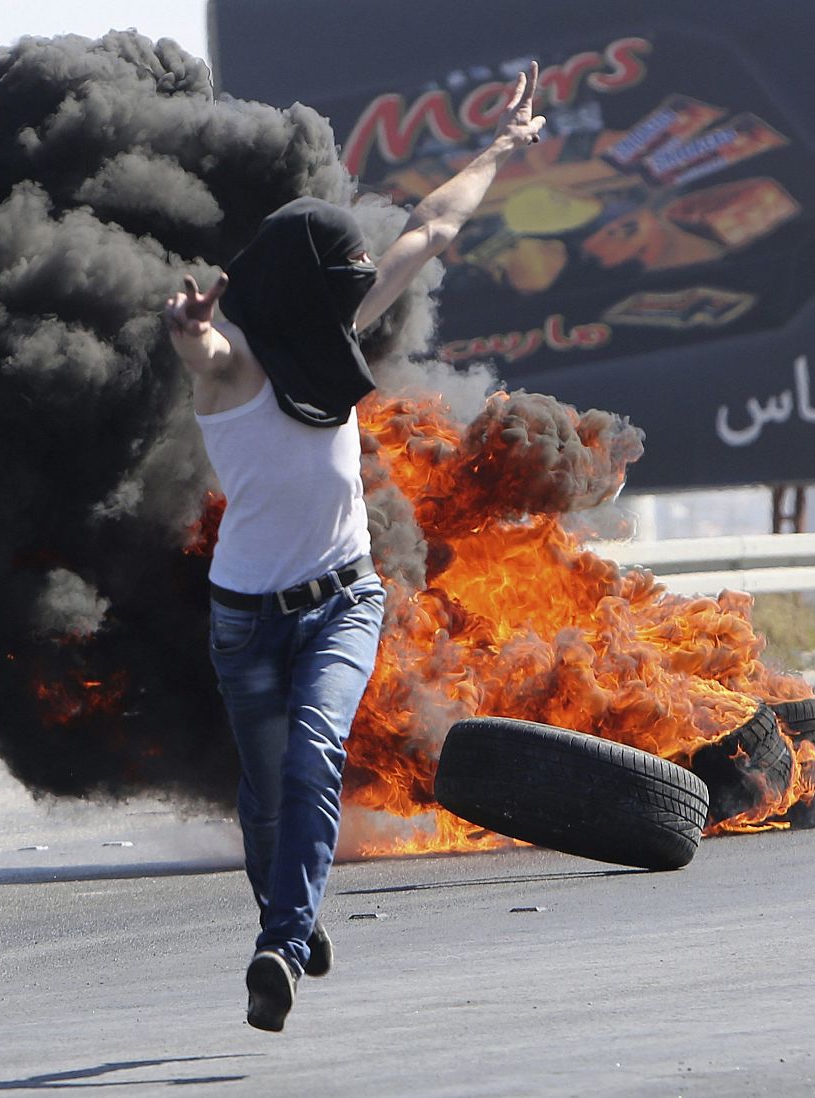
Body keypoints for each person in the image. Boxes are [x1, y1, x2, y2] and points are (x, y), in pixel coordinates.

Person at [164, 63, 546, 1032]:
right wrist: (186, 331)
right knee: (261, 798)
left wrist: (500, 148)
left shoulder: (332, 337)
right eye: (339, 280)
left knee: (312, 758)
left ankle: (282, 946)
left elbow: (432, 227)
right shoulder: (233, 367)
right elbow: (203, 355)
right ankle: (288, 910)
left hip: (342, 600)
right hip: (245, 623)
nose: (359, 290)